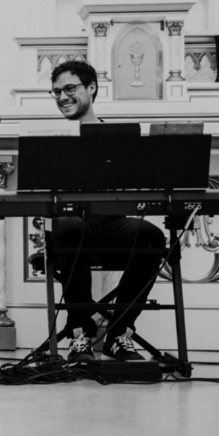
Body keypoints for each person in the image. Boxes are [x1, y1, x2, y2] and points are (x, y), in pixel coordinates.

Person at [48, 60, 166, 362]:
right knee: (74, 228)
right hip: (71, 226)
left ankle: (119, 332)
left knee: (152, 237)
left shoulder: (116, 138)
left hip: (111, 223)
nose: (63, 97)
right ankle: (79, 333)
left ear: (91, 88)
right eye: (57, 92)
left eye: (70, 88)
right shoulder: (49, 139)